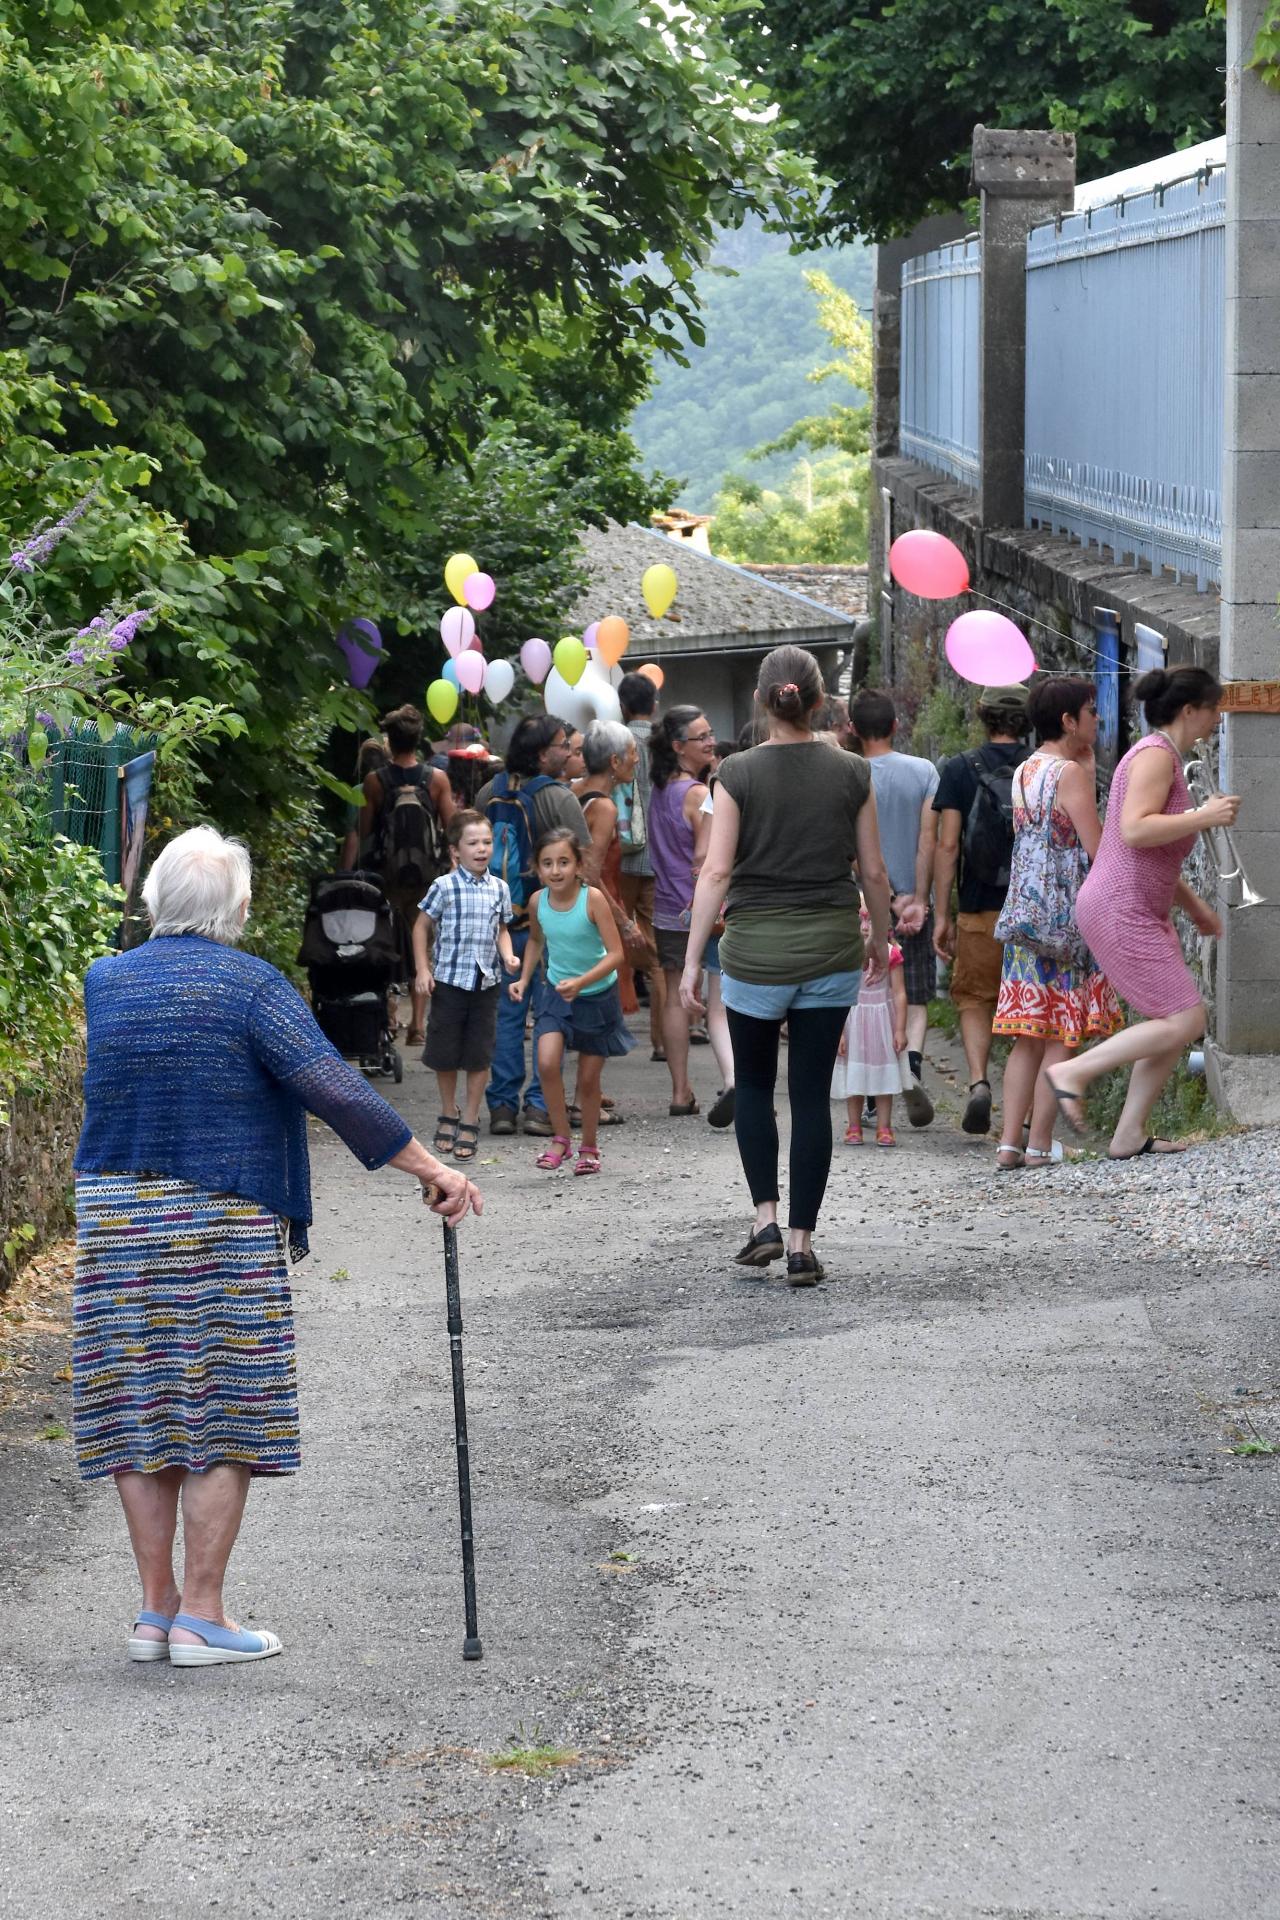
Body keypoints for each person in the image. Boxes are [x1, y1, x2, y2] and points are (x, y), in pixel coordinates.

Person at [72, 827, 479, 1667]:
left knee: (139, 1403)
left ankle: (156, 1614)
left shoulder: (105, 983)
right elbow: (334, 1088)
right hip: (219, 1220)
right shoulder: (251, 986)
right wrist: (430, 1166)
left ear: (153, 903)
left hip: (114, 1219)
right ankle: (204, 1616)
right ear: (240, 909)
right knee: (224, 1406)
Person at [681, 644, 892, 1285]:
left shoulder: (735, 773)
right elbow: (874, 871)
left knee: (752, 1087)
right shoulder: (853, 771)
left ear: (760, 700)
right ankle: (802, 1245)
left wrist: (692, 961)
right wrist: (878, 940)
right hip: (830, 946)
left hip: (754, 954)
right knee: (808, 1098)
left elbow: (717, 871)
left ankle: (764, 1221)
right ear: (821, 701)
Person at [1046, 666, 1239, 1160]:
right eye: (1213, 709)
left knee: (1171, 1018)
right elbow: (1135, 830)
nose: (1218, 719)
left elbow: (1153, 854)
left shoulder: (1163, 755)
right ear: (1189, 711)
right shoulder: (1156, 757)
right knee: (1187, 1017)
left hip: (1131, 903)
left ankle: (1130, 1134)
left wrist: (1195, 908)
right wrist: (1204, 815)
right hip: (1120, 906)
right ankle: (1073, 1072)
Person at [989, 679, 1123, 1171]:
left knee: (1027, 1034)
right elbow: (1098, 850)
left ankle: (1009, 1143)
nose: (1098, 718)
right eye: (1090, 711)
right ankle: (1041, 1144)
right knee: (1061, 1033)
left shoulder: (1026, 768)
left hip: (1025, 914)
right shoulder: (1069, 774)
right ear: (1068, 721)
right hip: (1065, 919)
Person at [475, 716, 589, 1136]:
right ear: (544, 754)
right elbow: (583, 863)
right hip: (552, 920)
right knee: (551, 1013)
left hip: (500, 921)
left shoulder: (489, 792)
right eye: (563, 744)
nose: (569, 750)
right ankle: (540, 1106)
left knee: (506, 1015)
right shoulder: (559, 798)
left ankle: (502, 1106)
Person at [931, 685, 1029, 1135]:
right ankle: (1025, 1111)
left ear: (982, 717)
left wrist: (943, 914)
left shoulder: (958, 769)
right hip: (1034, 913)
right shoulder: (1045, 767)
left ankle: (978, 1082)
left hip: (978, 907)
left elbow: (948, 845)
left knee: (975, 998)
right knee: (1030, 1005)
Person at [510, 829, 634, 1175]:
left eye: (563, 862)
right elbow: (535, 940)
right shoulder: (537, 902)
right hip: (556, 993)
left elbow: (616, 955)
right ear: (536, 868)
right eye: (547, 863)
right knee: (547, 1063)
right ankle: (561, 1139)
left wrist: (581, 982)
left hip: (596, 997)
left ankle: (589, 1147)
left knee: (588, 1081)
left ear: (579, 865)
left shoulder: (592, 899)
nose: (556, 870)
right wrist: (523, 979)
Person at [849, 689, 937, 1127]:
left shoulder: (849, 772)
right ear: (895, 725)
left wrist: (874, 896)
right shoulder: (923, 771)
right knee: (914, 994)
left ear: (851, 729)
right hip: (912, 902)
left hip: (864, 900)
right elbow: (929, 841)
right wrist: (917, 898)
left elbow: (849, 846)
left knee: (868, 996)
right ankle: (913, 1064)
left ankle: (868, 1096)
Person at [411, 809, 517, 1166]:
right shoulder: (444, 886)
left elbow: (501, 929)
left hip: (486, 982)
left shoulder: (499, 888)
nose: (482, 849)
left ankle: (470, 1117)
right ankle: (448, 1109)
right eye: (473, 843)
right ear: (456, 851)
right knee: (444, 1052)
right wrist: (423, 969)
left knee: (479, 1053)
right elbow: (421, 927)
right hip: (450, 982)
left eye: (487, 842)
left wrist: (509, 956)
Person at [358, 704, 453, 1047]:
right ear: (418, 739)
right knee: (422, 947)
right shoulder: (436, 779)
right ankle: (418, 1026)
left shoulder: (374, 782)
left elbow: (365, 829)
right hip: (426, 876)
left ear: (390, 740)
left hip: (387, 876)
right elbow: (450, 828)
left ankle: (388, 1017)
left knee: (382, 943)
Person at [649, 705, 717, 1117]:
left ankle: (680, 1091)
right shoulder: (699, 795)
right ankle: (734, 1081)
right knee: (722, 1001)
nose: (710, 741)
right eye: (701, 737)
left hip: (667, 909)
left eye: (711, 734)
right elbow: (707, 857)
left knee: (676, 996)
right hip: (705, 910)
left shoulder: (659, 791)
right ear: (678, 747)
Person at [574, 720, 644, 1122]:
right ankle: (588, 1101)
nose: (637, 758)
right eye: (633, 752)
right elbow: (591, 871)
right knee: (599, 1012)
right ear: (615, 761)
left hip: (574, 911)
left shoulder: (573, 792)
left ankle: (592, 1093)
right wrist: (624, 923)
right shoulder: (604, 806)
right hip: (596, 913)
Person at [617, 672, 665, 1060]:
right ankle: (663, 1041)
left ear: (622, 705)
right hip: (657, 856)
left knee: (610, 937)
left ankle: (609, 1034)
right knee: (658, 955)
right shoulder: (666, 743)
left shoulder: (617, 744)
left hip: (621, 854)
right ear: (654, 704)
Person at [832, 909, 909, 1147]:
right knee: (854, 1075)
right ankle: (854, 1125)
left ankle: (883, 1126)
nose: (865, 926)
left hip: (882, 1024)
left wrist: (899, 1029)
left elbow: (899, 993)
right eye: (859, 920)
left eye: (871, 919)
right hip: (853, 1022)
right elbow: (838, 995)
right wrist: (837, 1033)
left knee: (883, 1075)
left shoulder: (891, 953)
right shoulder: (845, 955)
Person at [338, 736, 389, 872]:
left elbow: (352, 841)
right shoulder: (405, 789)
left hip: (369, 869)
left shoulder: (358, 792)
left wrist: (344, 876)